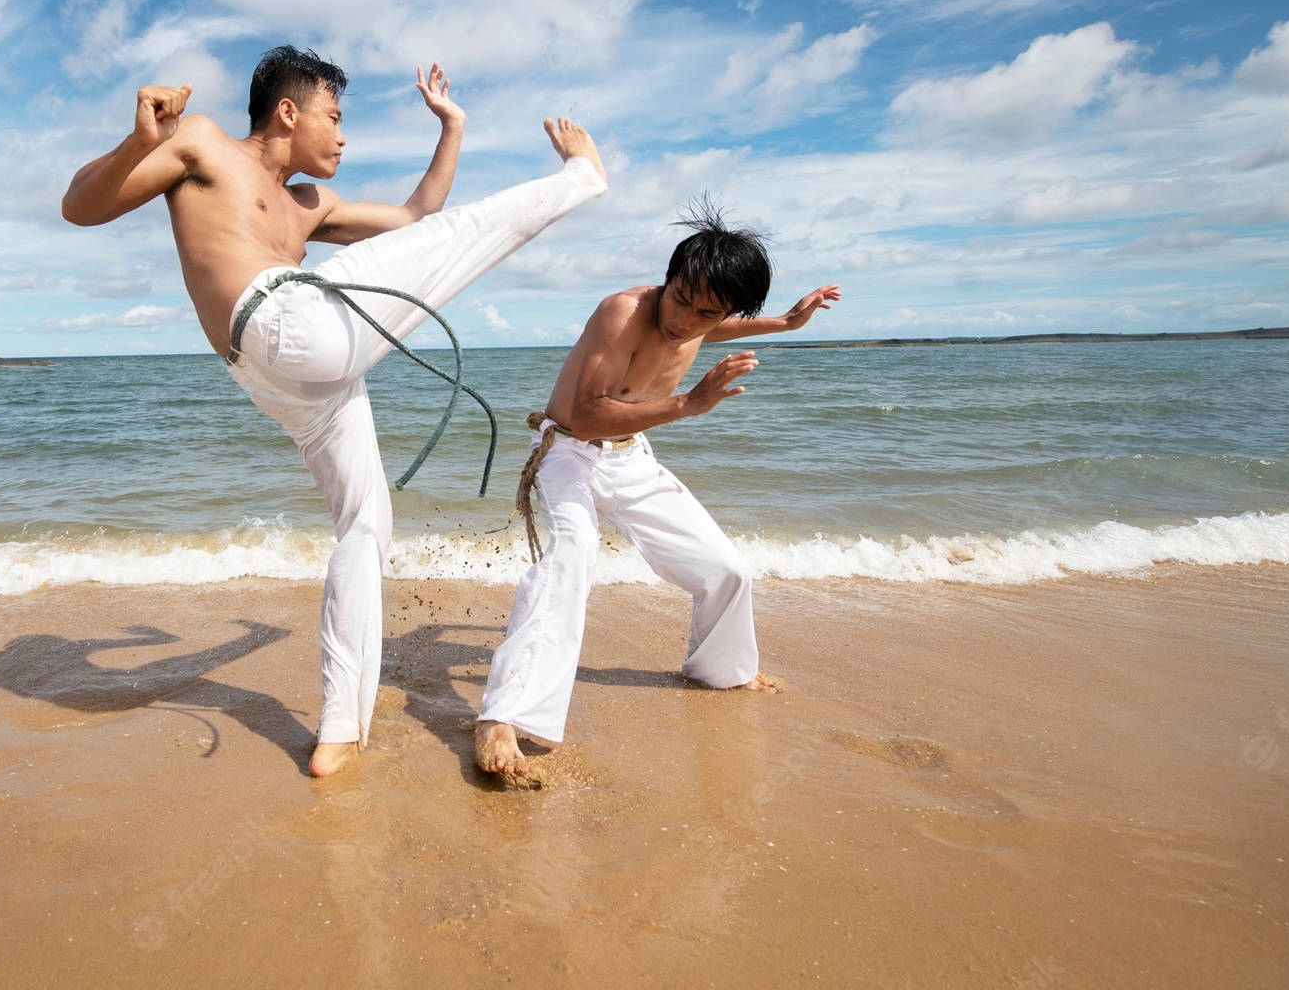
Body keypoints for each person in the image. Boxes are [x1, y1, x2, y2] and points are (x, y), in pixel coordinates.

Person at [62, 46, 606, 776]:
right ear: (288, 111)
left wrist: (452, 127)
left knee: (366, 523)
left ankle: (341, 730)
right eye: (336, 116)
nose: (344, 136)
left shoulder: (307, 205)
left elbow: (417, 215)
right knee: (442, 248)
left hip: (294, 369)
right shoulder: (204, 144)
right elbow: (79, 207)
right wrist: (142, 139)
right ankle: (581, 180)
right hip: (279, 335)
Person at [473, 203, 838, 785]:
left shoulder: (702, 318)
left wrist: (788, 324)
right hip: (568, 451)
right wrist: (691, 404)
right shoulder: (624, 313)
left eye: (706, 313)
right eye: (681, 299)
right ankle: (502, 717)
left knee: (727, 569)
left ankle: (722, 670)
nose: (685, 321)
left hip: (631, 458)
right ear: (668, 280)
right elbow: (591, 418)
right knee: (573, 555)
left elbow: (722, 323)